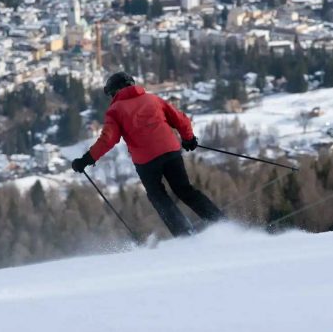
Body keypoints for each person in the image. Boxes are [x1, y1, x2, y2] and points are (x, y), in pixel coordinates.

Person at [71, 72, 223, 237]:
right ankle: (220, 222)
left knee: (158, 197)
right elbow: (181, 120)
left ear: (115, 91)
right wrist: (188, 139)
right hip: (171, 151)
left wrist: (86, 159)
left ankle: (185, 233)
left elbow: (108, 139)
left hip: (146, 161)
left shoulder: (115, 110)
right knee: (185, 190)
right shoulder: (153, 99)